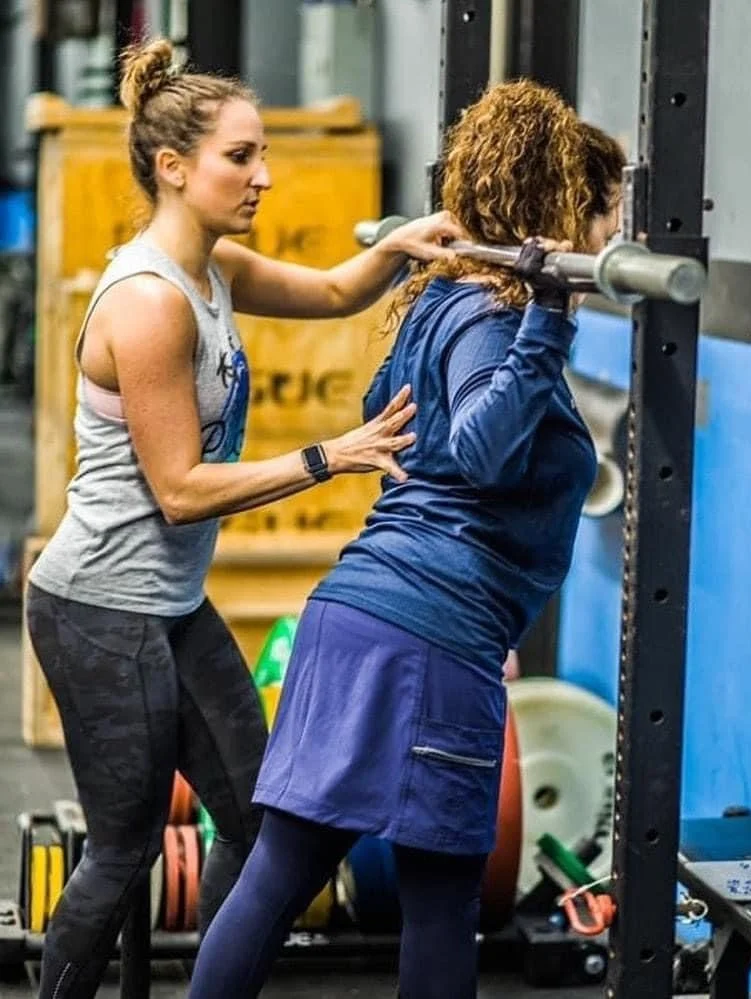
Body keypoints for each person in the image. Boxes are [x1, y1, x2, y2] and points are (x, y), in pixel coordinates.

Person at [24, 37, 464, 999]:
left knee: (261, 817)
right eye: (241, 157)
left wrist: (411, 241)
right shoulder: (150, 305)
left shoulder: (216, 270)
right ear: (173, 169)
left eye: (264, 153)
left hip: (171, 607)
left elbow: (340, 292)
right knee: (123, 845)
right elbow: (178, 488)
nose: (264, 175)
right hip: (97, 610)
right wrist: (328, 457)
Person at [186, 78, 625, 999]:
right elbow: (476, 446)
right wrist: (546, 316)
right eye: (607, 210)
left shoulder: (437, 298)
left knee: (281, 872)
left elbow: (381, 405)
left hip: (350, 613)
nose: (612, 233)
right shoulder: (501, 315)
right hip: (433, 629)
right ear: (562, 208)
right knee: (439, 898)